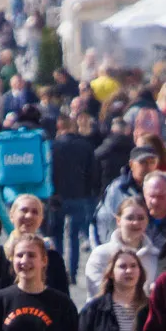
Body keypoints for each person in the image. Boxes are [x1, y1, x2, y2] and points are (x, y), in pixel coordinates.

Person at [50, 113, 103, 273]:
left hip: (57, 196)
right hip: (79, 195)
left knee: (57, 234)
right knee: (74, 236)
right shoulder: (85, 145)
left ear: (59, 127)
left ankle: (58, 269)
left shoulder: (53, 146)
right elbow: (93, 172)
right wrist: (91, 191)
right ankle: (72, 271)